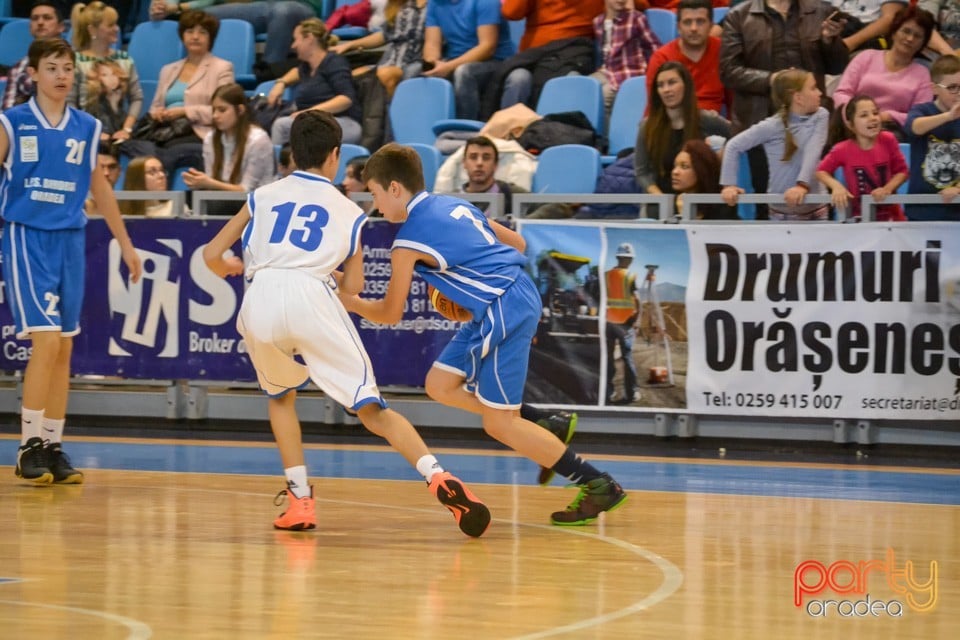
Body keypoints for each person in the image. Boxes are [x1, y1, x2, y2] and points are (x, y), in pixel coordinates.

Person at [201, 111, 491, 536]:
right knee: (372, 408)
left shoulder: (261, 195)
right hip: (312, 295)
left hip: (260, 297)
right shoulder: (347, 208)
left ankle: (300, 499)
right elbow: (352, 286)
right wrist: (323, 274)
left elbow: (212, 253)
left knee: (281, 398)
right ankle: (438, 476)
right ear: (335, 156)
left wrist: (228, 266)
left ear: (291, 153)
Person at [342, 142, 628, 526]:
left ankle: (597, 484)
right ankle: (543, 422)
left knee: (499, 424)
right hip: (510, 295)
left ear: (394, 188)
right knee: (440, 383)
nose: (375, 206)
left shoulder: (407, 241)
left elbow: (391, 313)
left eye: (375, 194)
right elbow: (519, 243)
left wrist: (351, 301)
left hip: (501, 307)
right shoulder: (453, 204)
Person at [2, 38, 142, 485]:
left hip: (70, 238)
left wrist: (125, 242)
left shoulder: (87, 125)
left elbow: (99, 189)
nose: (62, 75)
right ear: (35, 75)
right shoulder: (12, 122)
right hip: (27, 235)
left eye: (67, 68)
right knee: (44, 342)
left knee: (64, 347)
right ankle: (26, 448)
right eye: (52, 68)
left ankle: (52, 444)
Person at [720, 0, 848, 216]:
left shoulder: (819, 11)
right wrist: (772, 80)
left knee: (821, 194)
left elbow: (838, 65)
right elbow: (728, 71)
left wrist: (829, 40)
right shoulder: (739, 16)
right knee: (767, 199)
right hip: (759, 115)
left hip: (810, 117)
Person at [720, 69, 830, 220]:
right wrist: (728, 185)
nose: (819, 93)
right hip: (781, 214)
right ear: (798, 97)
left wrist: (802, 185)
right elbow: (733, 146)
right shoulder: (771, 126)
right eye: (813, 88)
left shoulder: (821, 115)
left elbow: (814, 150)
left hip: (816, 210)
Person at [634, 62, 730, 217]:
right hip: (661, 199)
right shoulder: (647, 126)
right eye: (660, 85)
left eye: (672, 83)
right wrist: (662, 200)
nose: (666, 90)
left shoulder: (708, 120)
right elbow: (642, 171)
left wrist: (722, 158)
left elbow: (738, 140)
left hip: (700, 202)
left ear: (686, 86)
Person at [145, 10, 235, 176]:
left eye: (202, 32)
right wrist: (158, 114)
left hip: (199, 132)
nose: (195, 36)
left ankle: (168, 200)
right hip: (165, 132)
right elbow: (155, 107)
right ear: (182, 36)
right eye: (190, 31)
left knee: (169, 152)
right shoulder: (168, 70)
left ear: (211, 38)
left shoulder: (222, 68)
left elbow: (225, 111)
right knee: (135, 148)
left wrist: (184, 111)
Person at [832, 6, 935, 142]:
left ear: (923, 43)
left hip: (892, 131)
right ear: (894, 32)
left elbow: (922, 116)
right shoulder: (866, 57)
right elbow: (842, 93)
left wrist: (890, 116)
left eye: (917, 36)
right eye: (906, 31)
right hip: (852, 124)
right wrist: (855, 116)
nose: (910, 38)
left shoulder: (922, 73)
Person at [150, 0, 316, 78]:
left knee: (283, 11)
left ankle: (268, 75)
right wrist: (167, 6)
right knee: (198, 18)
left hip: (298, 5)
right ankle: (200, 80)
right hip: (263, 6)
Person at [267, 18, 362, 146]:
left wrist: (311, 112)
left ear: (309, 38)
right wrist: (281, 83)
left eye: (296, 39)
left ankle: (280, 165)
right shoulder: (307, 67)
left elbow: (346, 99)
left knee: (281, 126)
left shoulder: (334, 62)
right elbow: (295, 72)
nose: (293, 46)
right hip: (316, 122)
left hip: (344, 122)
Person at [815, 95, 909, 221]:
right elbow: (821, 171)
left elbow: (902, 172)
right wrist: (836, 186)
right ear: (850, 124)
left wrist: (887, 189)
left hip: (892, 218)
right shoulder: (842, 149)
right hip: (860, 219)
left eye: (875, 113)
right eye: (864, 115)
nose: (872, 118)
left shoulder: (889, 139)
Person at [67, 1, 144, 148]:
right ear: (92, 30)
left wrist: (126, 129)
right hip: (83, 133)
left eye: (116, 24)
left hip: (119, 132)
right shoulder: (74, 62)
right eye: (110, 25)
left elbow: (137, 98)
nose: (116, 29)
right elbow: (69, 103)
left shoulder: (125, 59)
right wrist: (90, 132)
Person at [422, 0, 514, 120]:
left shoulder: (486, 2)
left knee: (464, 72)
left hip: (496, 61)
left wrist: (449, 66)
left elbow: (487, 47)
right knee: (413, 71)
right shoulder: (434, 3)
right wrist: (432, 63)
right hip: (454, 59)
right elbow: (432, 43)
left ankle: (464, 130)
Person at [182, 83, 275, 194]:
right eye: (214, 110)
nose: (215, 115)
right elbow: (211, 185)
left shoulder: (258, 140)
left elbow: (247, 190)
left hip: (257, 204)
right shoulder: (210, 139)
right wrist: (200, 183)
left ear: (240, 110)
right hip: (221, 203)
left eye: (222, 110)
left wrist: (209, 183)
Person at [330, 0, 427, 97]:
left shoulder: (434, 6)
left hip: (415, 62)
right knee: (350, 78)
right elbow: (385, 35)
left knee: (385, 75)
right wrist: (350, 45)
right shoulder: (402, 5)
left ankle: (392, 110)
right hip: (387, 62)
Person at [904, 54, 960, 221]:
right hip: (922, 211)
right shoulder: (922, 110)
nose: (958, 93)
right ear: (934, 88)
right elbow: (914, 127)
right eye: (952, 87)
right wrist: (949, 116)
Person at [646, 0, 727, 114]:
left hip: (711, 127)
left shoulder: (724, 52)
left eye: (700, 21)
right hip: (671, 124)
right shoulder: (662, 58)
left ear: (710, 26)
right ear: (678, 27)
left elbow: (735, 105)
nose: (693, 28)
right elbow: (655, 108)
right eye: (687, 22)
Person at [590, 0, 661, 120]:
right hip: (607, 71)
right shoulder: (597, 22)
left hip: (628, 72)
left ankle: (607, 136)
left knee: (605, 94)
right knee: (586, 86)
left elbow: (655, 47)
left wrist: (651, 72)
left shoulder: (636, 18)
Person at [3, 1, 66, 109]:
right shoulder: (18, 68)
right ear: (30, 27)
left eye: (47, 18)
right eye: (35, 18)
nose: (40, 22)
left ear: (61, 27)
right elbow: (6, 113)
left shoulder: (75, 63)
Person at [454, 135, 528, 217]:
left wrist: (521, 223)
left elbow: (544, 206)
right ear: (464, 163)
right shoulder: (452, 199)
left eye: (486, 158)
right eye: (473, 157)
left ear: (495, 164)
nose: (479, 163)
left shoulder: (510, 193)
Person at [605, 243, 641, 405]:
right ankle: (632, 393)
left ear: (618, 257)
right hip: (626, 324)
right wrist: (637, 319)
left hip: (608, 322)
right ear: (630, 259)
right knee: (627, 358)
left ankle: (607, 392)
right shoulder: (631, 276)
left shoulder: (606, 275)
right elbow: (638, 300)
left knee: (608, 358)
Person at [672, 138, 739, 219]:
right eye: (675, 166)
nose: (675, 172)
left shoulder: (724, 206)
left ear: (701, 169)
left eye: (684, 166)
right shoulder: (667, 205)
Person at [85, 141, 121, 214]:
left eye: (112, 167)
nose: (106, 173)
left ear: (119, 171)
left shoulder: (128, 206)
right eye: (100, 168)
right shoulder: (74, 209)